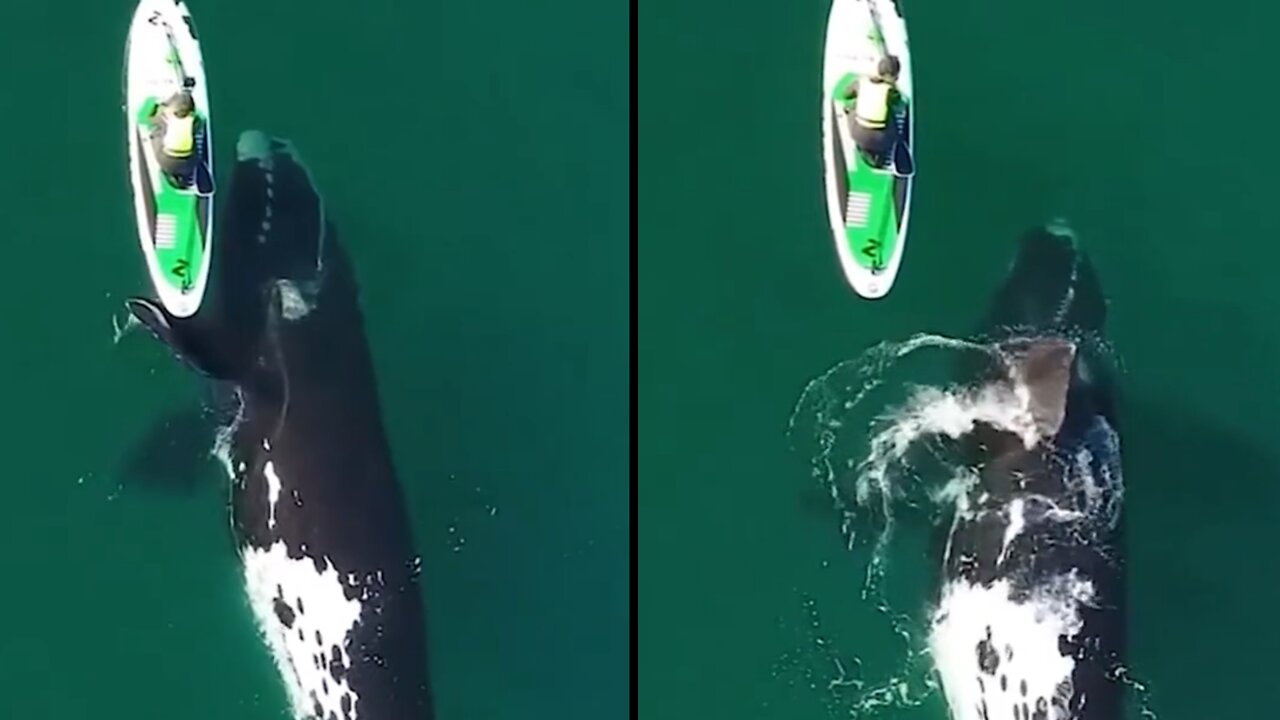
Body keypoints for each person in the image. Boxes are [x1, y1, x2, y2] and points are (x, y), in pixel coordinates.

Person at [839, 55, 901, 162]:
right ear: (894, 76)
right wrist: (894, 86)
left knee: (853, 105)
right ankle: (878, 154)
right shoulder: (891, 91)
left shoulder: (861, 82)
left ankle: (864, 149)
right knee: (891, 111)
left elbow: (845, 94)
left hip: (857, 134)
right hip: (883, 140)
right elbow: (899, 103)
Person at [145, 89, 203, 183]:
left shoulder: (165, 117)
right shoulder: (195, 120)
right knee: (192, 137)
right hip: (189, 164)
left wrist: (156, 107)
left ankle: (169, 173)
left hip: (167, 162)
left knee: (157, 132)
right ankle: (184, 176)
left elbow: (149, 120)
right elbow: (199, 125)